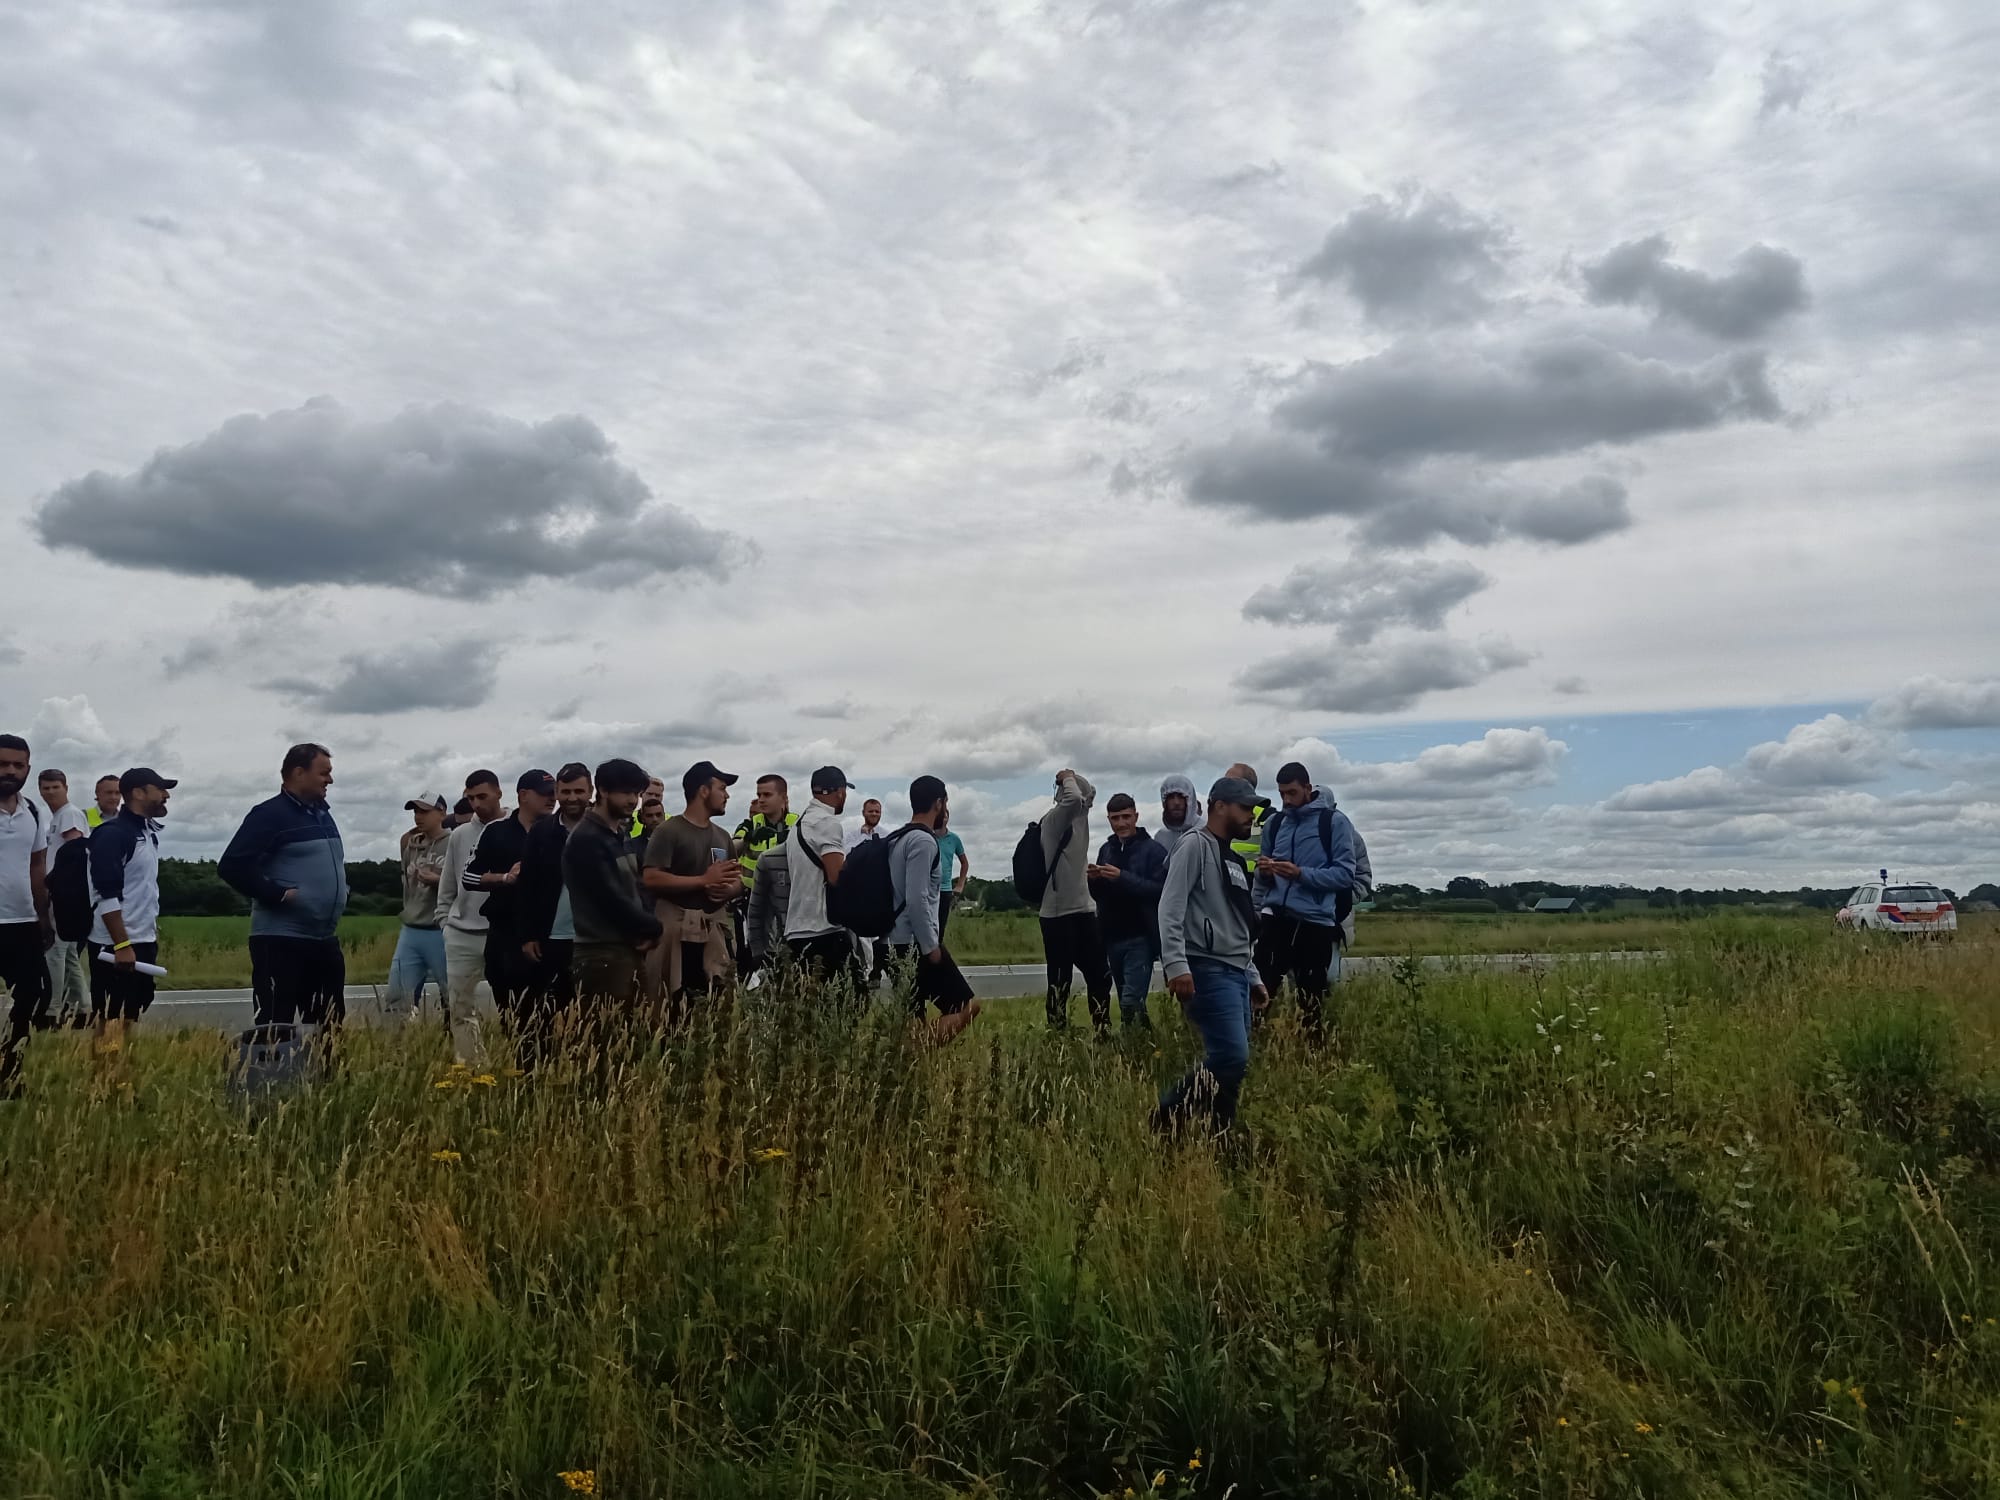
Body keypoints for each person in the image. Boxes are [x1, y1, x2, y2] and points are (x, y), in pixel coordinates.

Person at [1154, 776, 1270, 1136]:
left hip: (1236, 972)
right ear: (1219, 806)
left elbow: (1238, 924)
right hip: (1206, 968)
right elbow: (1169, 908)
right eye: (1245, 807)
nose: (1251, 815)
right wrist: (1177, 965)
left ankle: (1223, 1135)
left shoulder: (1233, 858)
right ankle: (1166, 1118)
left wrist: (1253, 976)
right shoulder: (1194, 846)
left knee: (1234, 1067)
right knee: (1231, 1056)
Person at [218, 743, 349, 1028]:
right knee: (276, 1024)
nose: (330, 780)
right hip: (280, 941)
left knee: (329, 1025)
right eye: (324, 773)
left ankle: (326, 1074)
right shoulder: (269, 814)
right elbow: (232, 866)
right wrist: (276, 894)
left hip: (323, 939)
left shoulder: (323, 814)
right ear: (299, 773)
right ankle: (273, 1074)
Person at [1250, 761, 1357, 1044]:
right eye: (1282, 793)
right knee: (1260, 991)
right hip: (1275, 917)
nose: (1286, 800)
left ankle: (1311, 1058)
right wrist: (1264, 871)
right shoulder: (1276, 823)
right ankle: (1255, 1050)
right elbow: (1263, 876)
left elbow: (1346, 874)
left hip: (1314, 921)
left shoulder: (1334, 822)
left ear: (1308, 789)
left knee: (1311, 1000)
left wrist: (1301, 874)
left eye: (1292, 793)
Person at [84, 768, 175, 1064]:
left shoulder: (146, 832)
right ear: (138, 792)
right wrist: (122, 944)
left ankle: (120, 1078)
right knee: (112, 1017)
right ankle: (106, 1082)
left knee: (130, 1014)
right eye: (160, 789)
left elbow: (142, 889)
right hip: (116, 944)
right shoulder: (113, 834)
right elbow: (106, 893)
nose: (166, 795)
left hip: (141, 938)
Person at [563, 758, 662, 1024]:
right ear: (603, 791)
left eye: (637, 793)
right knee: (605, 1041)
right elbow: (609, 898)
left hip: (624, 949)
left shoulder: (617, 834)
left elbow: (636, 889)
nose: (633, 800)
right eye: (626, 792)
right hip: (600, 952)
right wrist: (653, 927)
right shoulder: (588, 839)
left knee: (637, 1035)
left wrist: (647, 925)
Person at [642, 760, 743, 1014]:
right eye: (721, 788)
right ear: (703, 791)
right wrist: (702, 881)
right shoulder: (669, 831)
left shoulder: (722, 835)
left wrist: (729, 890)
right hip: (675, 936)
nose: (727, 795)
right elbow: (651, 878)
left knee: (714, 1007)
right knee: (671, 1009)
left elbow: (736, 880)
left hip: (712, 936)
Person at [462, 769, 554, 1046]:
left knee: (548, 1016)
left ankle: (549, 1074)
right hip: (506, 934)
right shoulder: (497, 831)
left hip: (548, 933)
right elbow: (468, 877)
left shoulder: (557, 830)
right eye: (545, 794)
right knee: (514, 1016)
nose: (553, 800)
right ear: (524, 796)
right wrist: (505, 878)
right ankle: (521, 1076)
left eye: (554, 794)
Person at [889, 776, 980, 1043]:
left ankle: (909, 1067)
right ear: (939, 803)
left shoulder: (897, 839)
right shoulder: (923, 841)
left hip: (892, 940)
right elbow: (917, 899)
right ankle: (914, 1057)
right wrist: (932, 947)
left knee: (913, 1014)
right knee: (966, 1006)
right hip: (914, 942)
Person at [516, 762, 591, 1053]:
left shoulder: (606, 829)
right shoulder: (541, 832)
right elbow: (527, 886)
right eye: (566, 791)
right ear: (557, 792)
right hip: (551, 936)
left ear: (591, 791)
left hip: (592, 937)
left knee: (590, 1010)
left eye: (579, 791)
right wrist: (527, 934)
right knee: (549, 1013)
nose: (572, 797)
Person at [437, 769, 505, 1060]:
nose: (477, 803)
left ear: (499, 793)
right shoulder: (460, 835)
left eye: (482, 796)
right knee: (461, 1008)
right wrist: (445, 923)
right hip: (463, 933)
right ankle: (473, 1069)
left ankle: (520, 1066)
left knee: (514, 1004)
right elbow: (447, 885)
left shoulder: (517, 827)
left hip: (503, 931)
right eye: (471, 798)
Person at [1038, 767, 1112, 1032]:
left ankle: (1102, 1029)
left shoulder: (1080, 816)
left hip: (1083, 909)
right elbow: (1074, 799)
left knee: (1100, 974)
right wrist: (1066, 777)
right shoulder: (1056, 819)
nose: (1086, 802)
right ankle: (1057, 1033)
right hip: (1057, 914)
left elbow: (1088, 794)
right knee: (1060, 981)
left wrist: (1075, 779)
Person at [1088, 792, 1169, 1031]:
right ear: (1109, 820)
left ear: (1136, 816)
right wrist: (1095, 880)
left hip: (1141, 936)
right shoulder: (1106, 850)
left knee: (1131, 1001)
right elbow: (1099, 896)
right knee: (1129, 999)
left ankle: (1131, 1047)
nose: (1121, 823)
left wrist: (1122, 877)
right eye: (1115, 818)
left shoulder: (1154, 851)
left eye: (1126, 817)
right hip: (1112, 937)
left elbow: (1160, 890)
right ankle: (1144, 1043)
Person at [0, 734, 52, 1094]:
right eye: (3, 764)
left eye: (18, 765)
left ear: (27, 768)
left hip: (21, 922)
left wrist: (43, 916)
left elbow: (37, 865)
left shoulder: (34, 810)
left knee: (34, 996)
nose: (10, 771)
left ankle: (10, 1073)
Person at [786, 765, 862, 988]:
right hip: (824, 928)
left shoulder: (798, 826)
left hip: (796, 927)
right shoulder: (828, 824)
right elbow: (837, 877)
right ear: (840, 791)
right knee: (853, 1002)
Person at [381, 792, 450, 1029]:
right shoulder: (412, 844)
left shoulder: (453, 842)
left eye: (425, 811)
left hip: (441, 929)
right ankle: (398, 1050)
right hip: (411, 928)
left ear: (442, 812)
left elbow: (464, 883)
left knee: (454, 996)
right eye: (415, 812)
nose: (418, 816)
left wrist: (439, 881)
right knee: (397, 995)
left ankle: (462, 1049)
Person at [36, 768, 91, 1027]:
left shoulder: (69, 814)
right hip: (63, 893)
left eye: (54, 787)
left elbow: (74, 854)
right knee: (68, 955)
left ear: (65, 788)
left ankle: (53, 1010)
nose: (49, 792)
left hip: (63, 895)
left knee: (54, 952)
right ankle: (83, 1007)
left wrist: (56, 888)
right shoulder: (58, 816)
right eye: (45, 788)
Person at [736, 775, 797, 975]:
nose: (761, 799)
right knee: (753, 950)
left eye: (767, 794)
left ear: (783, 798)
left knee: (788, 950)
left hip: (787, 897)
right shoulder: (751, 824)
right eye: (759, 794)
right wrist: (747, 839)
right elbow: (731, 847)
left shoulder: (796, 824)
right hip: (752, 898)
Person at [1225, 762, 1274, 870]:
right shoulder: (1222, 812)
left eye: (1230, 782)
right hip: (1229, 877)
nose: (1224, 785)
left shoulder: (1268, 816)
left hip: (1254, 881)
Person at [934, 804, 968, 941]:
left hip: (945, 889)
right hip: (929, 888)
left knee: (940, 928)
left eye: (945, 816)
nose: (942, 819)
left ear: (948, 818)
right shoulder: (927, 835)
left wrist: (960, 884)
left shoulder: (954, 839)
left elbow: (964, 863)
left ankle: (937, 957)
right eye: (940, 816)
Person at [1155, 773, 1203, 859]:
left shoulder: (1206, 832)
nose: (1176, 803)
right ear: (1164, 802)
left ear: (1190, 800)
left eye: (1181, 796)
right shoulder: (1161, 837)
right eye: (1171, 797)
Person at [1343, 826, 1373, 949]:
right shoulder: (1279, 823)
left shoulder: (1341, 828)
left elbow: (1362, 878)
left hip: (1333, 929)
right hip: (1282, 927)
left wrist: (1338, 901)